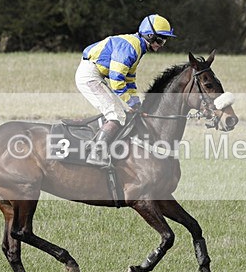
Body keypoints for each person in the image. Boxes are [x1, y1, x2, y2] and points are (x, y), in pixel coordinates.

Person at [75, 14, 176, 166]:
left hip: (97, 74)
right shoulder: (131, 47)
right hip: (89, 75)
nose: (161, 44)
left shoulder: (138, 47)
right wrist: (130, 101)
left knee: (123, 112)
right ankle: (96, 153)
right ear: (149, 35)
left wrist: (135, 103)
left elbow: (129, 79)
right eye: (160, 40)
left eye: (164, 40)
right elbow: (116, 80)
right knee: (116, 114)